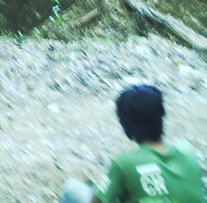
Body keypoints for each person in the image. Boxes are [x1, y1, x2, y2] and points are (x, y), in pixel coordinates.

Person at [60, 85, 204, 203]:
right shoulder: (187, 150)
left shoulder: (125, 163)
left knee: (71, 187)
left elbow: (96, 201)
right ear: (162, 114)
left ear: (125, 124)